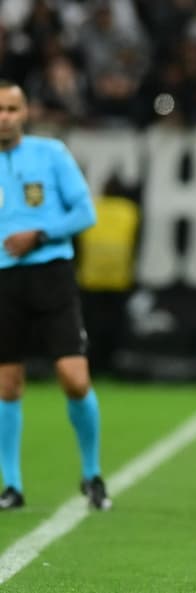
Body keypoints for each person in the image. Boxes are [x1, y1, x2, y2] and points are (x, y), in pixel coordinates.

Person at [0, 80, 110, 511]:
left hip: (51, 274)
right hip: (3, 281)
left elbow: (85, 212)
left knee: (74, 377)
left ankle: (92, 474)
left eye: (12, 108)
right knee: (7, 385)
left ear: (26, 112)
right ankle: (12, 484)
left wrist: (40, 234)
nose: (4, 116)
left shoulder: (51, 154)